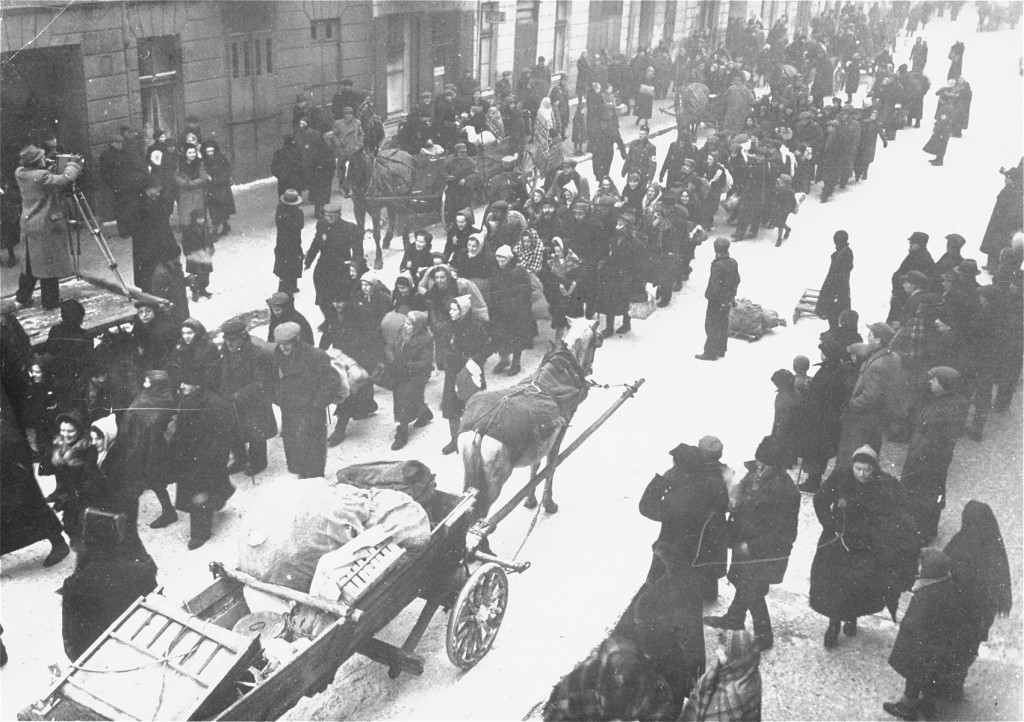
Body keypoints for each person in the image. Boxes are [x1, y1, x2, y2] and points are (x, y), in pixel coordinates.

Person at [810, 445, 921, 648]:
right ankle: (834, 623)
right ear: (852, 466)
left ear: (874, 469)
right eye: (858, 469)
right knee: (835, 585)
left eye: (867, 470)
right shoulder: (840, 478)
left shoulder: (885, 485)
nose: (862, 474)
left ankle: (852, 617)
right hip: (839, 541)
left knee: (858, 586)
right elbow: (820, 500)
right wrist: (831, 524)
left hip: (867, 544)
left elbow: (898, 514)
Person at [703, 436, 800, 652]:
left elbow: (784, 533)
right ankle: (736, 620)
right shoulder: (755, 474)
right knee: (746, 584)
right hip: (745, 543)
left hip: (763, 551)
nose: (759, 467)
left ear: (777, 466)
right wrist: (734, 499)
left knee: (752, 587)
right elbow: (740, 489)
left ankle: (761, 634)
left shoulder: (785, 491)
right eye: (758, 462)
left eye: (765, 464)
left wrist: (753, 547)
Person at [883, 548, 975, 721]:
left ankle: (908, 705)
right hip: (942, 648)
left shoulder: (926, 594)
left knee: (914, 671)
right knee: (930, 676)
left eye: (921, 566)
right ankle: (928, 706)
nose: (918, 569)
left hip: (922, 647)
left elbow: (914, 623)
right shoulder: (946, 586)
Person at [640, 437, 730, 606]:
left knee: (662, 590)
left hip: (675, 550)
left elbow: (646, 507)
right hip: (702, 545)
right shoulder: (713, 482)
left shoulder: (678, 497)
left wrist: (662, 481)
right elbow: (723, 504)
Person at [61, 509, 158, 660]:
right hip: (144, 646)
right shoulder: (141, 571)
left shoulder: (73, 584)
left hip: (100, 656)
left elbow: (71, 638)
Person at [167, 370, 235, 549]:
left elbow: (223, 433)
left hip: (206, 457)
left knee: (198, 495)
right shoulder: (190, 398)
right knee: (207, 488)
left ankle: (199, 534)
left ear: (198, 384)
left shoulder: (213, 404)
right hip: (191, 455)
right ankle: (222, 494)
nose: (181, 386)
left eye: (186, 383)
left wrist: (216, 457)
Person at [900, 367, 969, 542]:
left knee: (920, 496)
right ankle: (929, 529)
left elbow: (929, 439)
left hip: (925, 461)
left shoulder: (941, 409)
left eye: (934, 379)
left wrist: (915, 460)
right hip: (937, 461)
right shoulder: (953, 403)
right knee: (932, 493)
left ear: (943, 385)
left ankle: (919, 533)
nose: (930, 382)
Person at [14, 145, 83, 309]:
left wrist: (50, 165)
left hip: (29, 224)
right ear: (37, 162)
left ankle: (21, 299)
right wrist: (73, 164)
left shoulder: (20, 172)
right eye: (42, 158)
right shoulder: (42, 175)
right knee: (48, 266)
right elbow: (63, 180)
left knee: (30, 265)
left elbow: (42, 177)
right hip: (45, 225)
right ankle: (50, 302)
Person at [832, 322, 902, 478]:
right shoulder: (893, 357)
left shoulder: (878, 364)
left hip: (863, 420)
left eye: (870, 335)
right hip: (877, 419)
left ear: (878, 340)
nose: (867, 338)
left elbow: (870, 396)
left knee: (852, 455)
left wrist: (852, 404)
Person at [272, 321, 340, 478]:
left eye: (286, 344)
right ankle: (301, 474)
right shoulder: (278, 355)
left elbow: (332, 381)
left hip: (311, 410)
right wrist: (278, 396)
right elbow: (273, 378)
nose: (283, 348)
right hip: (289, 409)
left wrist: (318, 404)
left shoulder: (315, 356)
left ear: (296, 340)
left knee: (313, 448)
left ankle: (316, 478)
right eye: (280, 345)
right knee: (294, 445)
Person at [221, 320, 277, 477]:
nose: (229, 344)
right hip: (233, 399)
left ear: (242, 337)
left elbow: (261, 381)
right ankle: (240, 459)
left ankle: (259, 462)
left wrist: (241, 394)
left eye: (233, 340)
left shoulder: (256, 354)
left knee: (256, 432)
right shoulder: (226, 351)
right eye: (227, 340)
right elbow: (225, 373)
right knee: (234, 431)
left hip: (255, 400)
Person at [436, 296, 490, 455]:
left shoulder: (476, 327)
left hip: (470, 373)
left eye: (454, 309)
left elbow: (487, 348)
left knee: (472, 406)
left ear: (463, 311)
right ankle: (455, 440)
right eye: (450, 309)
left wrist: (474, 361)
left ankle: (476, 438)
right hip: (453, 372)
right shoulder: (447, 328)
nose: (450, 312)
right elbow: (443, 348)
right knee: (451, 407)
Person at [679, 629, 763, 722]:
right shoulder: (749, 672)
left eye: (721, 651)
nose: (717, 652)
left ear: (734, 659)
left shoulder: (735, 693)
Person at [383, 310, 434, 451]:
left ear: (418, 326)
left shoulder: (426, 339)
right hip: (399, 371)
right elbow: (391, 345)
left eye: (410, 324)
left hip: (416, 375)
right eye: (406, 322)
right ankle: (424, 412)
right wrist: (391, 357)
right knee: (402, 397)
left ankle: (402, 434)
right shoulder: (402, 331)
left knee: (404, 400)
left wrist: (406, 366)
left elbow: (426, 362)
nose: (406, 326)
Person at [50, 410, 102, 542]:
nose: (65, 435)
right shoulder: (59, 448)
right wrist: (60, 496)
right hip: (70, 495)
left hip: (87, 496)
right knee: (70, 528)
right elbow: (61, 479)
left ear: (79, 431)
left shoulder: (89, 450)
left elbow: (94, 479)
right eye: (63, 430)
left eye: (70, 431)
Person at [305, 203, 360, 326]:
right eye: (327, 216)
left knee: (339, 296)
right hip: (324, 266)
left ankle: (339, 320)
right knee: (322, 296)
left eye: (333, 216)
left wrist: (354, 266)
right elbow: (316, 243)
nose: (329, 219)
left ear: (339, 215)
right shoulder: (322, 224)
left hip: (341, 267)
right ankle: (329, 318)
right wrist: (308, 261)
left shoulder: (350, 228)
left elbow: (358, 252)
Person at [490, 246, 533, 376]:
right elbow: (492, 288)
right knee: (500, 335)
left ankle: (516, 362)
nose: (500, 260)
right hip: (500, 310)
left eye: (503, 257)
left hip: (517, 311)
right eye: (498, 257)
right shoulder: (496, 270)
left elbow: (525, 291)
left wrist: (512, 304)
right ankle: (504, 360)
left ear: (510, 258)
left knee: (516, 336)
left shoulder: (519, 270)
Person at [696, 238, 740, 361]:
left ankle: (710, 352)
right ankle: (721, 349)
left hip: (716, 301)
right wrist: (731, 296)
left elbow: (715, 286)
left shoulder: (717, 265)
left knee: (712, 325)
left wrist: (711, 297)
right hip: (727, 299)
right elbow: (737, 280)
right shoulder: (733, 262)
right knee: (723, 324)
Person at [980, 165, 1023, 271]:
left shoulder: (1015, 192)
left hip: (1004, 224)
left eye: (1008, 178)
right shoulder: (1012, 188)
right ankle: (991, 264)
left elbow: (1014, 210)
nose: (1005, 180)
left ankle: (995, 267)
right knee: (993, 243)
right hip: (999, 220)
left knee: (999, 244)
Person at [887, 232, 936, 324]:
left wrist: (899, 282)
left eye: (913, 243)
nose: (910, 245)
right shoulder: (913, 255)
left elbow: (915, 279)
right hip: (901, 295)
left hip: (906, 297)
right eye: (910, 242)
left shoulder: (923, 259)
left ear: (920, 244)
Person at [167, 317, 220, 391]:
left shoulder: (208, 347)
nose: (186, 337)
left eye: (190, 333)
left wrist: (195, 386)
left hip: (203, 388)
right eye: (183, 333)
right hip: (183, 387)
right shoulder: (180, 347)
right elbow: (173, 367)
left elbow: (212, 373)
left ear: (197, 333)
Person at [274, 189, 305, 294]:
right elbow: (299, 225)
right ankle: (284, 288)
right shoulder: (296, 213)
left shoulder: (280, 210)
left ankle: (291, 286)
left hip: (286, 243)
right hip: (290, 243)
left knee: (289, 264)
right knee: (288, 265)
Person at [201, 141, 235, 236]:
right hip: (211, 188)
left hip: (222, 187)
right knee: (214, 210)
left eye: (212, 151)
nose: (210, 153)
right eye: (208, 151)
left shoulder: (221, 158)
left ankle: (215, 233)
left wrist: (216, 179)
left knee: (221, 209)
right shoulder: (203, 160)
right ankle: (225, 225)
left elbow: (227, 170)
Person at [181, 209, 214, 301]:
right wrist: (188, 254)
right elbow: (185, 243)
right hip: (195, 256)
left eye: (203, 218)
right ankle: (195, 291)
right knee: (196, 275)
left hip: (205, 255)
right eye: (199, 219)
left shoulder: (205, 228)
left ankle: (203, 289)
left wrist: (211, 248)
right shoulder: (189, 230)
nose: (201, 220)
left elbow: (209, 239)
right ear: (194, 219)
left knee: (206, 274)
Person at [174, 144, 209, 228]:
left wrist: (192, 183)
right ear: (185, 154)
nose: (192, 154)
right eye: (189, 153)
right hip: (185, 193)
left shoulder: (199, 163)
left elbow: (203, 178)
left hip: (197, 192)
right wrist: (184, 183)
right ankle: (187, 236)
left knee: (198, 214)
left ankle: (200, 235)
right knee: (186, 214)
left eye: (194, 152)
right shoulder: (180, 164)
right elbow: (176, 176)